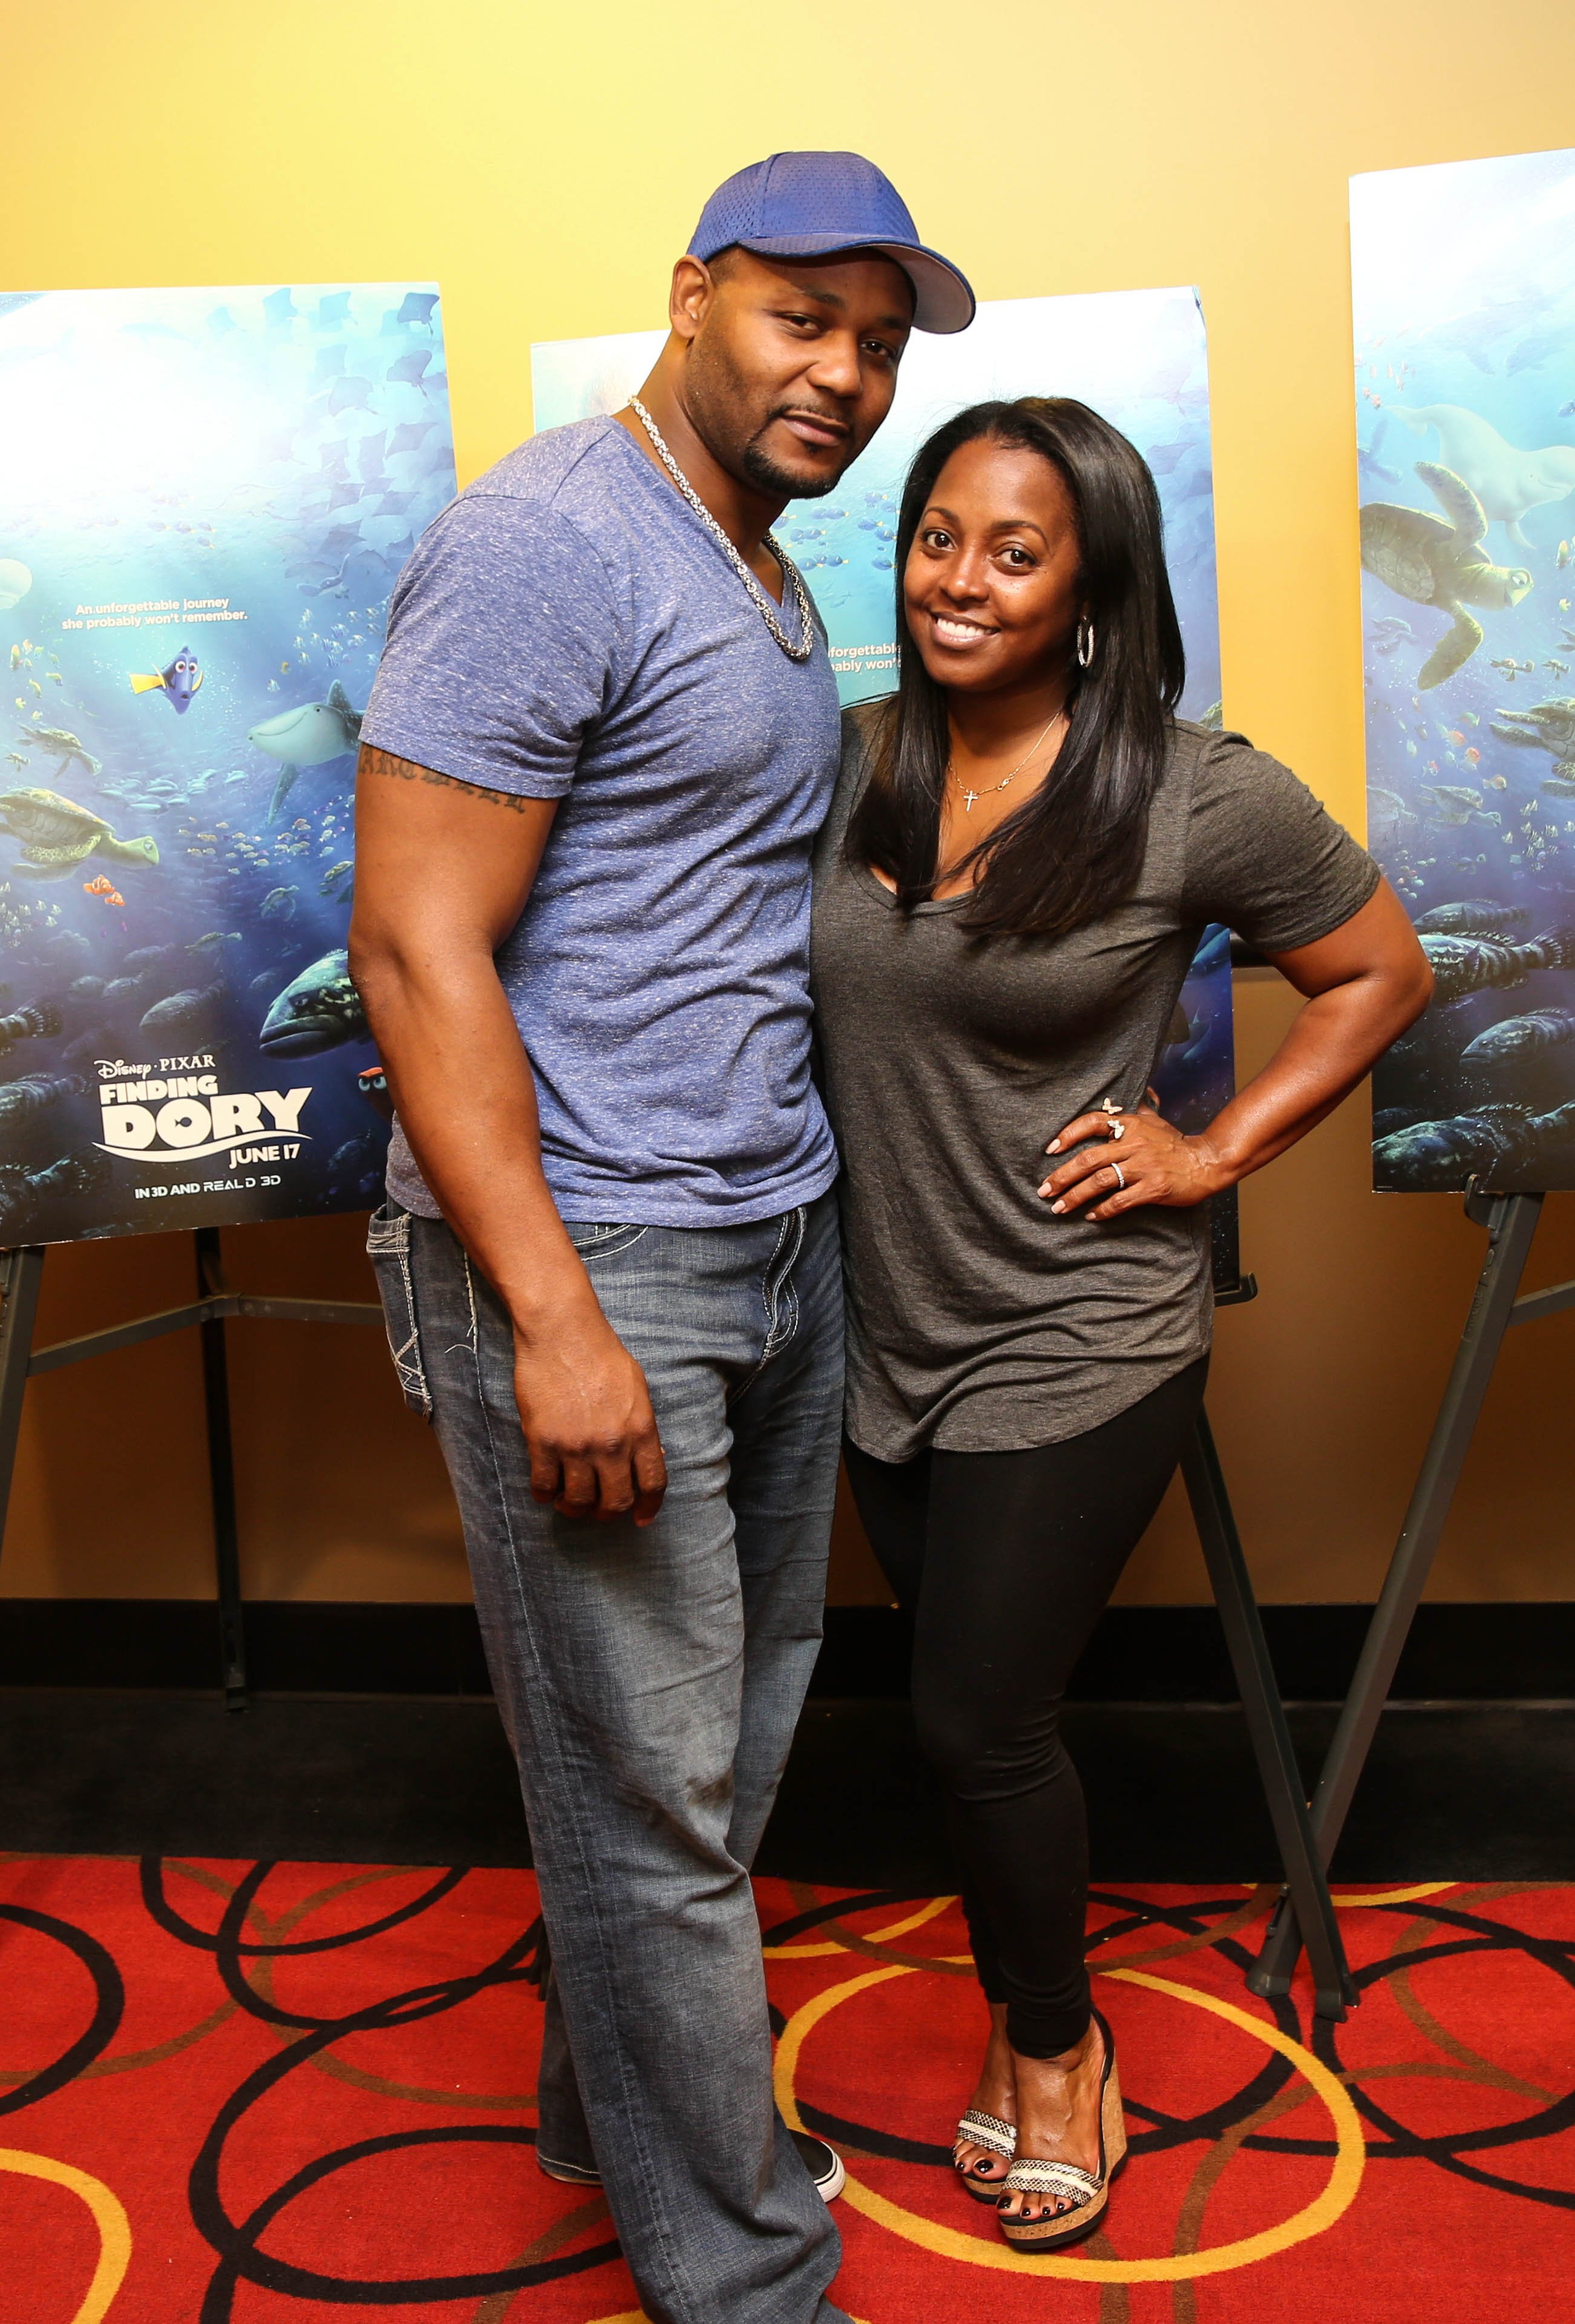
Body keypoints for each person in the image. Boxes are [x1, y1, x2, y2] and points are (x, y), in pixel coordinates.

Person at [348, 154, 973, 2324]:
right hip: (594, 1248)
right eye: (804, 318)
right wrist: (549, 1315)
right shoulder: (545, 538)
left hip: (765, 1237)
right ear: (694, 294)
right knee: (648, 1800)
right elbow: (420, 946)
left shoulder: (764, 565)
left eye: (880, 340)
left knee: (724, 1745)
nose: (848, 372)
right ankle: (747, 2281)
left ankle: (601, 2104)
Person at [810, 395, 1431, 2253]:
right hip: (877, 1325)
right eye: (936, 538)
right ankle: (1034, 2014)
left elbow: (1376, 969)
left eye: (1013, 551)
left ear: (1088, 587)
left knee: (975, 1721)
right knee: (966, 1721)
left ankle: (1057, 2052)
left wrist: (1208, 1149)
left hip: (1077, 1328)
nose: (959, 581)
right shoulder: (839, 761)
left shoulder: (1187, 784)